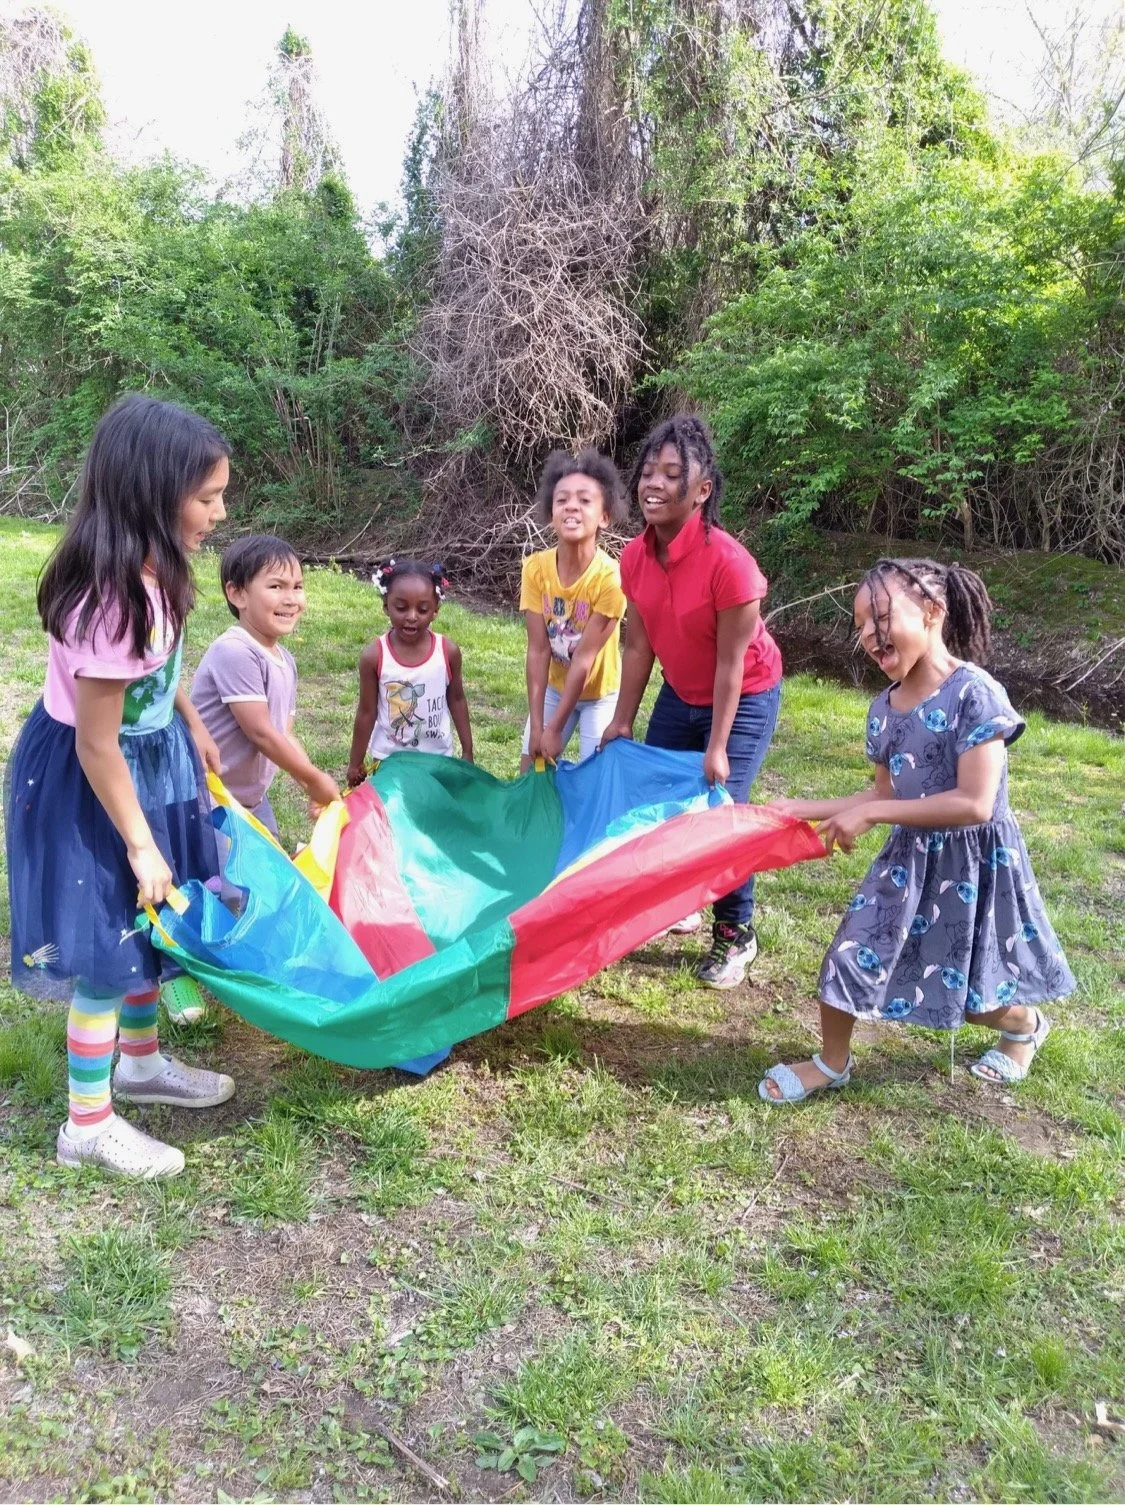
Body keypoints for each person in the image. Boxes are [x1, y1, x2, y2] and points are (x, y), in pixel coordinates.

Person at [5, 393, 237, 1179]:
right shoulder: (112, 599)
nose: (219, 510)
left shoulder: (158, 568)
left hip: (149, 755)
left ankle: (139, 1062)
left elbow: (158, 673)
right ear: (152, 492)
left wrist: (195, 727)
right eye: (206, 496)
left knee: (148, 919)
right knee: (109, 938)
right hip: (93, 777)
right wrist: (140, 843)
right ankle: (87, 1123)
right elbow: (97, 741)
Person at [759, 557, 1075, 1104]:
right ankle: (832, 1063)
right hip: (909, 860)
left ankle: (1024, 1025)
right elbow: (882, 795)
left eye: (880, 617)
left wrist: (876, 815)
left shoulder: (975, 692)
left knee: (975, 998)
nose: (867, 635)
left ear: (932, 612)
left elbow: (976, 803)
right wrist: (802, 806)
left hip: (973, 867)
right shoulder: (883, 709)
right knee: (848, 955)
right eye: (859, 624)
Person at [600, 414, 783, 989]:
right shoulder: (634, 557)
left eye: (672, 474)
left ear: (702, 491)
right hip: (680, 693)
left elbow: (731, 665)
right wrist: (622, 719)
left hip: (744, 694)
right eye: (648, 471)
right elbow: (640, 642)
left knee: (720, 813)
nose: (653, 483)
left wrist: (719, 746)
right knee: (659, 801)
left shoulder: (731, 567)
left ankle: (736, 933)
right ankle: (675, 902)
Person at [520, 448, 628, 771]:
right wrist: (539, 727)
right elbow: (538, 651)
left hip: (600, 694)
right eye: (562, 499)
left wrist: (555, 729)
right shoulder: (535, 569)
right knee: (531, 769)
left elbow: (584, 657)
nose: (571, 506)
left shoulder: (611, 578)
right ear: (551, 511)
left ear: (604, 517)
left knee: (593, 779)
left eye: (584, 500)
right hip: (555, 686)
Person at [346, 559, 473, 785]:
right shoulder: (374, 656)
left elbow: (457, 700)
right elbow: (366, 712)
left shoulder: (448, 652)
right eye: (401, 607)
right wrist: (355, 763)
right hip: (390, 761)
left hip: (438, 760)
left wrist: (467, 751)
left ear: (435, 610)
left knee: (432, 816)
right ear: (386, 605)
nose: (412, 616)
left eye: (422, 609)